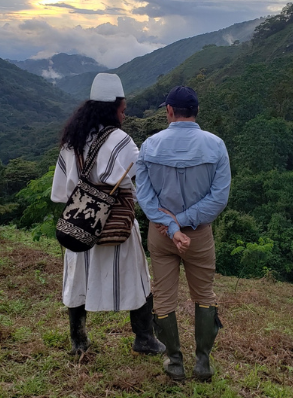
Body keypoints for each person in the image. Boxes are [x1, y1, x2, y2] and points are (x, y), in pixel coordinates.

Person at [51, 73, 165, 357]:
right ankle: (144, 337)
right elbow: (139, 176)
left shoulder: (71, 141)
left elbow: (60, 192)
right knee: (138, 277)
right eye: (123, 110)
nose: (124, 116)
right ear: (112, 108)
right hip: (117, 223)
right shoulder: (120, 140)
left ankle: (78, 341)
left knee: (77, 280)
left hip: (81, 224)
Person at [136, 85, 231, 381]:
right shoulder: (216, 145)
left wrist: (172, 225)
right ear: (197, 111)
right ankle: (202, 363)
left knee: (164, 298)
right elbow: (219, 198)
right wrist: (185, 221)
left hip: (161, 234)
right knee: (204, 295)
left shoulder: (149, 145)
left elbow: (144, 195)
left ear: (169, 111)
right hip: (199, 235)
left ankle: (174, 363)